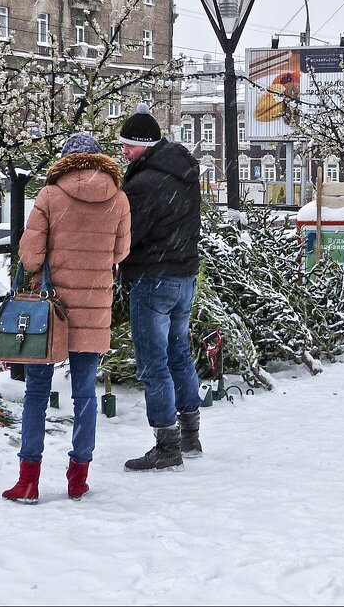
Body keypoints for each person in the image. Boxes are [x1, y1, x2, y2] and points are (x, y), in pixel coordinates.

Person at [2, 133, 131, 503]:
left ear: (65, 160)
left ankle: (28, 481)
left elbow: (29, 258)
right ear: (98, 160)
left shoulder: (49, 195)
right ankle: (78, 478)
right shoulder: (119, 199)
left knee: (36, 393)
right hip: (94, 306)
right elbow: (120, 252)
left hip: (49, 311)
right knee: (85, 395)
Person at [118, 104, 203, 472]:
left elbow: (128, 237)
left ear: (144, 145)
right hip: (184, 277)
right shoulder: (183, 171)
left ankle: (167, 445)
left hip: (153, 279)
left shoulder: (145, 183)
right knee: (179, 355)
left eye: (128, 146)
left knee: (154, 364)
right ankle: (190, 434)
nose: (124, 152)